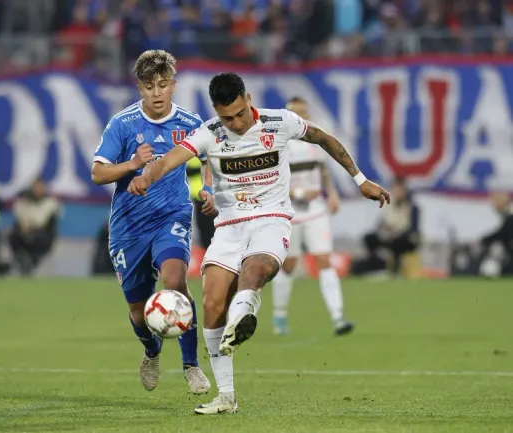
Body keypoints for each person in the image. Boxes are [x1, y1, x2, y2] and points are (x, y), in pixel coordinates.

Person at [128, 72, 389, 414]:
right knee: (210, 302)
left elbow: (324, 139)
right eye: (227, 117)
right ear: (215, 112)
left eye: (239, 113)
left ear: (248, 98)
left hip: (272, 219)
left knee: (257, 268)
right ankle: (226, 396)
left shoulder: (280, 122)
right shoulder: (210, 133)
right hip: (229, 226)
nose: (235, 123)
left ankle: (245, 311)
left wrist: (361, 180)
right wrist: (146, 175)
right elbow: (170, 159)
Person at [91, 50, 215, 395]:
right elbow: (98, 172)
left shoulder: (191, 123)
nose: (157, 93)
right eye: (149, 86)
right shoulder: (123, 124)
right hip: (129, 226)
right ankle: (151, 351)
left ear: (173, 85)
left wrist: (206, 189)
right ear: (140, 88)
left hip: (171, 217)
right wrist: (132, 164)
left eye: (163, 85)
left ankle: (191, 365)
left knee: (175, 282)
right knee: (137, 309)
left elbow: (210, 158)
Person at [271, 97, 353, 336]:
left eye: (303, 112)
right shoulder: (278, 144)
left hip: (316, 209)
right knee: (289, 265)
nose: (300, 117)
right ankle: (279, 315)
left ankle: (338, 317)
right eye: (295, 113)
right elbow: (271, 183)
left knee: (324, 260)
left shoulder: (316, 140)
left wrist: (332, 194)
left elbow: (323, 169)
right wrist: (298, 192)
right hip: (289, 211)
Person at [8, 179, 61, 275]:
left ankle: (31, 262)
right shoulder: (23, 201)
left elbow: (49, 224)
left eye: (40, 187)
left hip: (41, 235)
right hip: (23, 233)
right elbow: (19, 219)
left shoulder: (50, 203)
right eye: (36, 187)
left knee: (38, 238)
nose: (38, 190)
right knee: (13, 236)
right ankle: (22, 259)